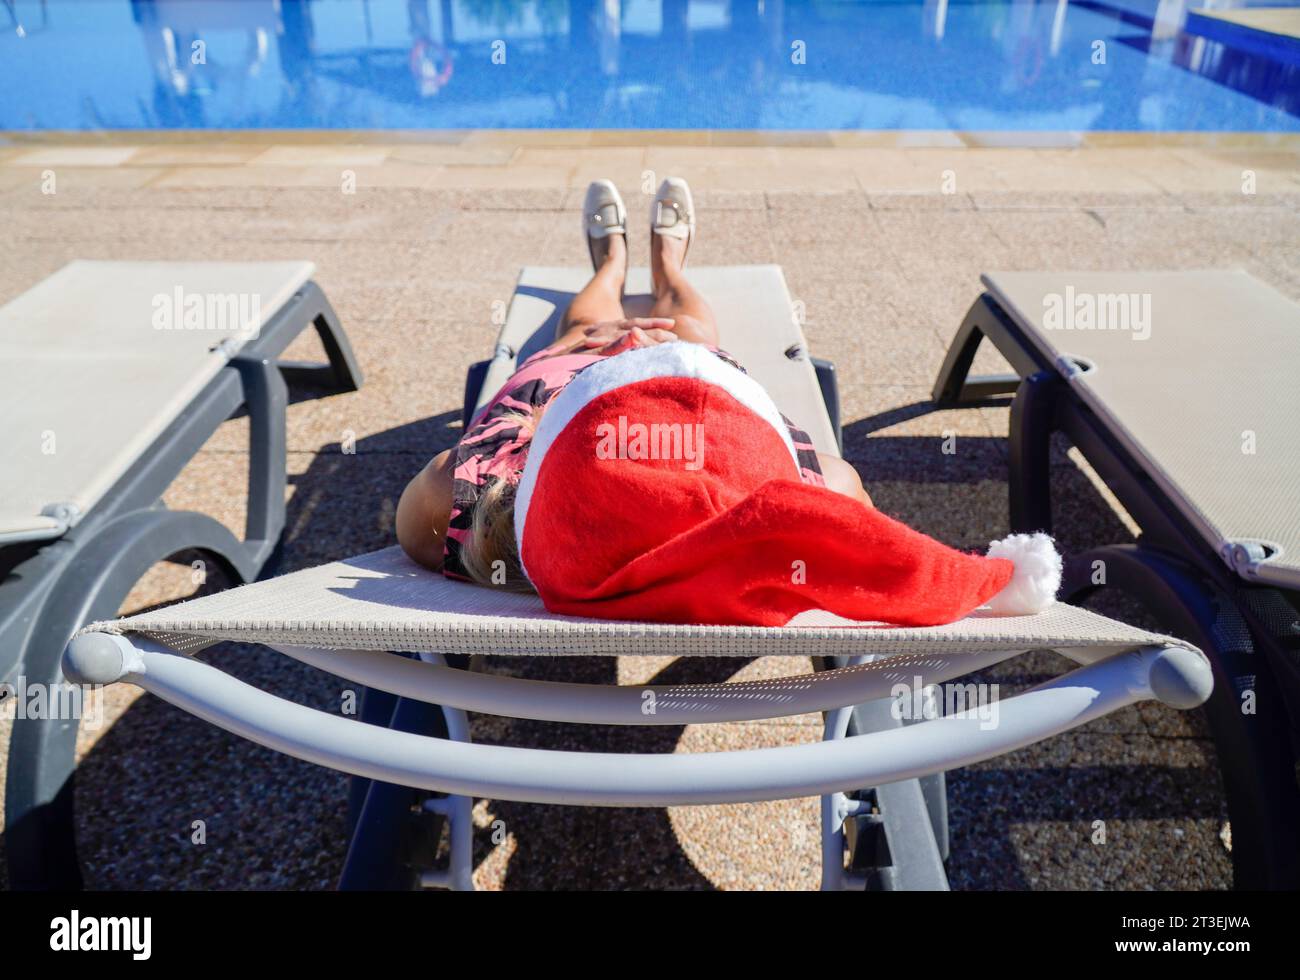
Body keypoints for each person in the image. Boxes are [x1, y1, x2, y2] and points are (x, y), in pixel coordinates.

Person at [397, 178, 1056, 627]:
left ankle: (613, 266)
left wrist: (538, 455)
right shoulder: (807, 496)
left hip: (568, 417)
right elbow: (878, 542)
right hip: (696, 405)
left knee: (585, 332)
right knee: (689, 332)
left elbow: (430, 499)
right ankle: (668, 266)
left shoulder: (468, 513)